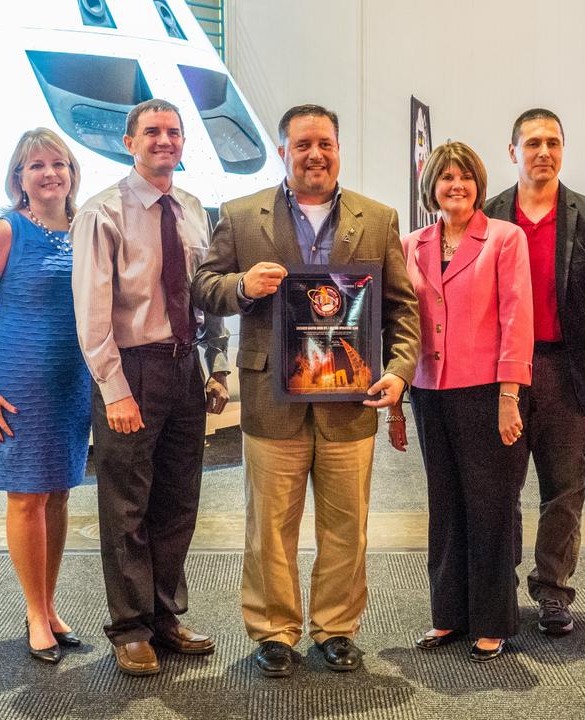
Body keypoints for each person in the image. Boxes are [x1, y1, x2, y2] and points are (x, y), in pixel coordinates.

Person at [192, 104, 420, 678]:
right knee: (268, 526)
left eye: (325, 143)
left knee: (347, 525)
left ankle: (336, 628)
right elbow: (203, 287)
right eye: (302, 145)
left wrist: (399, 370)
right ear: (283, 151)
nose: (314, 154)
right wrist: (241, 286)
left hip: (352, 399)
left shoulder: (377, 217)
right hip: (272, 400)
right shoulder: (243, 216)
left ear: (338, 148)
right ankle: (274, 631)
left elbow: (403, 308)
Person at [71, 99, 231, 677]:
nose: (164, 141)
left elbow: (203, 292)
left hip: (185, 366)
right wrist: (114, 390)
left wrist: (216, 364)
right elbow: (91, 317)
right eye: (152, 132)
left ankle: (166, 617)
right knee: (127, 506)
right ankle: (130, 627)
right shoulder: (101, 212)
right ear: (129, 140)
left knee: (177, 502)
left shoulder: (189, 208)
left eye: (173, 132)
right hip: (131, 369)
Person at [0, 128, 92, 665]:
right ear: (19, 178)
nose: (50, 173)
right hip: (16, 380)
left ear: (73, 173)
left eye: (59, 163)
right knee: (27, 496)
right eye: (37, 166)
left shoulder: (85, 229)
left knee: (58, 494)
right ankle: (34, 612)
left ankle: (50, 606)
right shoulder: (6, 231)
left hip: (71, 379)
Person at [483, 108, 585, 635]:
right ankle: (498, 586)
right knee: (501, 486)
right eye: (532, 142)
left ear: (563, 149)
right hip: (502, 376)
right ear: (512, 151)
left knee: (564, 489)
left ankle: (552, 590)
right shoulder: (488, 214)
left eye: (553, 141)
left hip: (567, 370)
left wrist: (578, 331)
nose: (543, 151)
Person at [396, 141, 533, 663]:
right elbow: (401, 324)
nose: (455, 186)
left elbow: (517, 320)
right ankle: (448, 615)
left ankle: (494, 620)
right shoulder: (412, 244)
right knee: (445, 506)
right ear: (430, 185)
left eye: (465, 177)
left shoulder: (504, 239)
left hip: (486, 392)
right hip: (430, 391)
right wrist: (397, 402)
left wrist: (509, 395)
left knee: (491, 506)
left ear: (478, 183)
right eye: (445, 178)